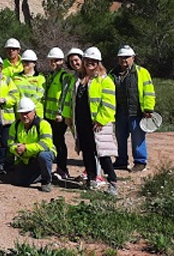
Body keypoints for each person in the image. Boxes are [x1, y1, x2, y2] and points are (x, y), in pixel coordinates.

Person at [63, 47, 119, 195]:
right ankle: (91, 179)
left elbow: (109, 104)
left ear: (98, 62)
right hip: (82, 122)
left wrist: (100, 120)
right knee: (87, 152)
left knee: (103, 153)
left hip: (98, 124)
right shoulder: (78, 80)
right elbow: (71, 101)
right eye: (88, 60)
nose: (90, 63)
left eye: (94, 61)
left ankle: (112, 182)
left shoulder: (105, 81)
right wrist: (68, 117)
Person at [109, 45, 156, 173]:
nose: (124, 59)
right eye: (121, 57)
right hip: (119, 112)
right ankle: (121, 161)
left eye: (126, 57)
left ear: (133, 58)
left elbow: (149, 91)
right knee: (120, 137)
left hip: (137, 112)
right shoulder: (112, 74)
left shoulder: (142, 72)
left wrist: (148, 108)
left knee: (138, 138)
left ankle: (140, 162)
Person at [4, 97, 56, 192]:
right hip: (26, 157)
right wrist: (16, 149)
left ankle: (46, 181)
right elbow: (10, 144)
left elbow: (46, 144)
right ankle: (38, 174)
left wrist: (26, 148)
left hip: (41, 154)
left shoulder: (44, 124)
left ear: (34, 112)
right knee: (19, 182)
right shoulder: (15, 126)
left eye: (27, 113)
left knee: (43, 156)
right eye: (22, 113)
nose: (24, 116)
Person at [43, 47, 73, 179]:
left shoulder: (64, 77)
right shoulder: (51, 76)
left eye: (57, 60)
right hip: (49, 116)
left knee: (59, 142)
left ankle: (62, 169)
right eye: (52, 60)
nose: (54, 63)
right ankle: (55, 168)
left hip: (58, 117)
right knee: (53, 142)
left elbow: (65, 95)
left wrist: (60, 113)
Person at [13, 50, 46, 118]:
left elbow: (39, 95)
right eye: (24, 61)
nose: (25, 64)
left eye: (28, 62)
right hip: (20, 112)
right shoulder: (15, 77)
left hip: (36, 112)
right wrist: (20, 105)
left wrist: (26, 105)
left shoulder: (40, 78)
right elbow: (14, 93)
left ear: (34, 63)